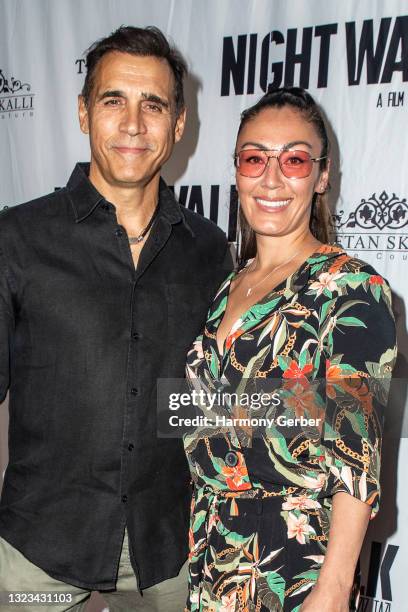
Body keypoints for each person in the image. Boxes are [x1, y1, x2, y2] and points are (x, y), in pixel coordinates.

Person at [0, 26, 232, 611]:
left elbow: (223, 402)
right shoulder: (17, 239)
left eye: (153, 105)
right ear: (83, 112)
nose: (133, 124)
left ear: (179, 124)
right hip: (39, 550)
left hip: (168, 550)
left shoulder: (210, 249)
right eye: (113, 101)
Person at [183, 88, 397, 611]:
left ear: (322, 176)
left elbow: (355, 456)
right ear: (237, 169)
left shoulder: (351, 290)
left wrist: (333, 587)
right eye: (255, 158)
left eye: (295, 159)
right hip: (210, 561)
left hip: (293, 569)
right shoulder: (226, 288)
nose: (271, 178)